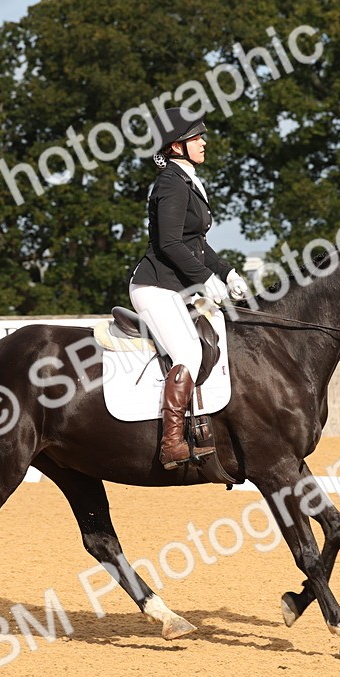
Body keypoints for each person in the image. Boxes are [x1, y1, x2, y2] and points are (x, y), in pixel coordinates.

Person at [129, 107, 249, 469]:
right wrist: (203, 279)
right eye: (196, 137)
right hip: (155, 287)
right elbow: (169, 244)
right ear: (177, 146)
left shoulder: (186, 182)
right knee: (188, 352)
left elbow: (195, 242)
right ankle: (171, 443)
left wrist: (226, 273)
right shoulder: (170, 184)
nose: (204, 142)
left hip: (178, 288)